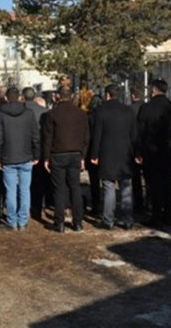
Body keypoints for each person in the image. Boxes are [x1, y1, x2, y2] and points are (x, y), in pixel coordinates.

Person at [89, 84, 137, 230]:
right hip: (125, 154)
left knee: (108, 186)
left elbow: (97, 135)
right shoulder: (128, 111)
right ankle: (128, 220)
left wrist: (94, 154)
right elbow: (134, 134)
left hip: (107, 153)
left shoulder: (101, 111)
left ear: (107, 94)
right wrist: (137, 152)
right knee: (126, 186)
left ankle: (108, 219)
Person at [137, 78, 171, 228]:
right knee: (168, 185)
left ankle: (156, 215)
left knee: (153, 185)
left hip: (151, 153)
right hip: (168, 152)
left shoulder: (146, 108)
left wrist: (139, 152)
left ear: (153, 90)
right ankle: (167, 216)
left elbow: (140, 133)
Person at [43, 86, 89, 233]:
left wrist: (45, 157)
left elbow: (48, 138)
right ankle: (78, 222)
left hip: (58, 154)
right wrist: (83, 156)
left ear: (58, 96)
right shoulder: (81, 114)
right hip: (75, 154)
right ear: (72, 96)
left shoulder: (52, 114)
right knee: (75, 187)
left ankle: (60, 222)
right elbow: (86, 137)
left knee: (59, 189)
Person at [0, 87, 40, 232]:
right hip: (26, 156)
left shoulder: (0, 114)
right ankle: (23, 220)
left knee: (10, 190)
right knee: (25, 190)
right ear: (20, 97)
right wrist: (36, 154)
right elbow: (35, 136)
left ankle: (12, 221)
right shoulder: (28, 113)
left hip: (8, 157)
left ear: (6, 98)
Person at [24, 87, 51, 219]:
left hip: (24, 150)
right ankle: (40, 206)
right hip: (40, 149)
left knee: (24, 183)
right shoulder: (44, 112)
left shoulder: (21, 111)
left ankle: (27, 208)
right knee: (40, 181)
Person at [128, 86, 146, 213]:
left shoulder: (129, 110)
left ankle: (138, 202)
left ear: (133, 96)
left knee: (136, 179)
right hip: (148, 146)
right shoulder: (148, 108)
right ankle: (151, 200)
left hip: (133, 146)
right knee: (150, 177)